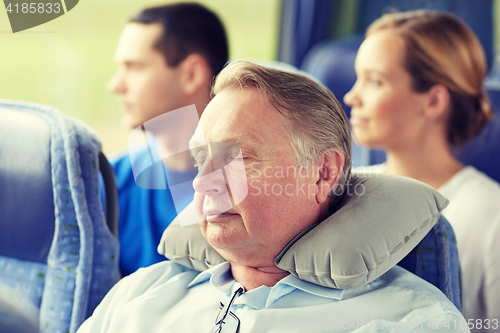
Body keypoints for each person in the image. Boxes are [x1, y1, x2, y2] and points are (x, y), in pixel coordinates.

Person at [78, 60, 467, 332]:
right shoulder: (139, 294)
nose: (202, 183)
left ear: (323, 173)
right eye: (200, 160)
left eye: (237, 158)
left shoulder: (412, 322)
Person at [344, 10, 500, 331]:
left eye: (375, 81)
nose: (351, 96)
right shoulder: (346, 191)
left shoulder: (490, 213)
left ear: (433, 102)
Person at [106, 3, 228, 276]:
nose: (115, 85)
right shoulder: (111, 181)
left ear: (191, 75)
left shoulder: (247, 191)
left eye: (134, 67)